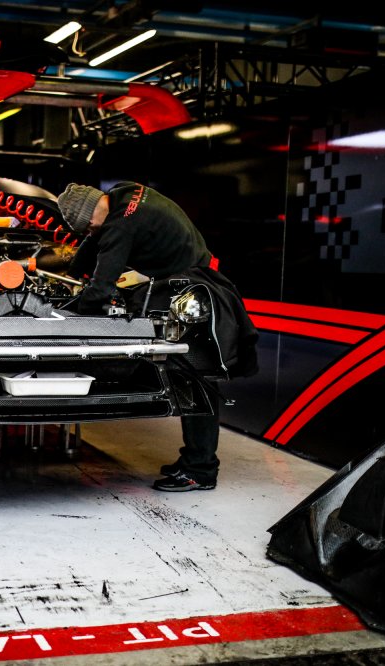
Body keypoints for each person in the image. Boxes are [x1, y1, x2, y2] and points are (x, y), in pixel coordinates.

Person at [56, 181, 257, 492]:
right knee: (191, 378)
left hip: (195, 292)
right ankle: (196, 459)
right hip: (195, 281)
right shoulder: (123, 193)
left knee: (193, 378)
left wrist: (68, 315)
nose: (91, 232)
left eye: (88, 227)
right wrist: (71, 272)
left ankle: (200, 470)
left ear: (91, 213)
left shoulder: (119, 226)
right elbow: (95, 242)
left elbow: (101, 289)